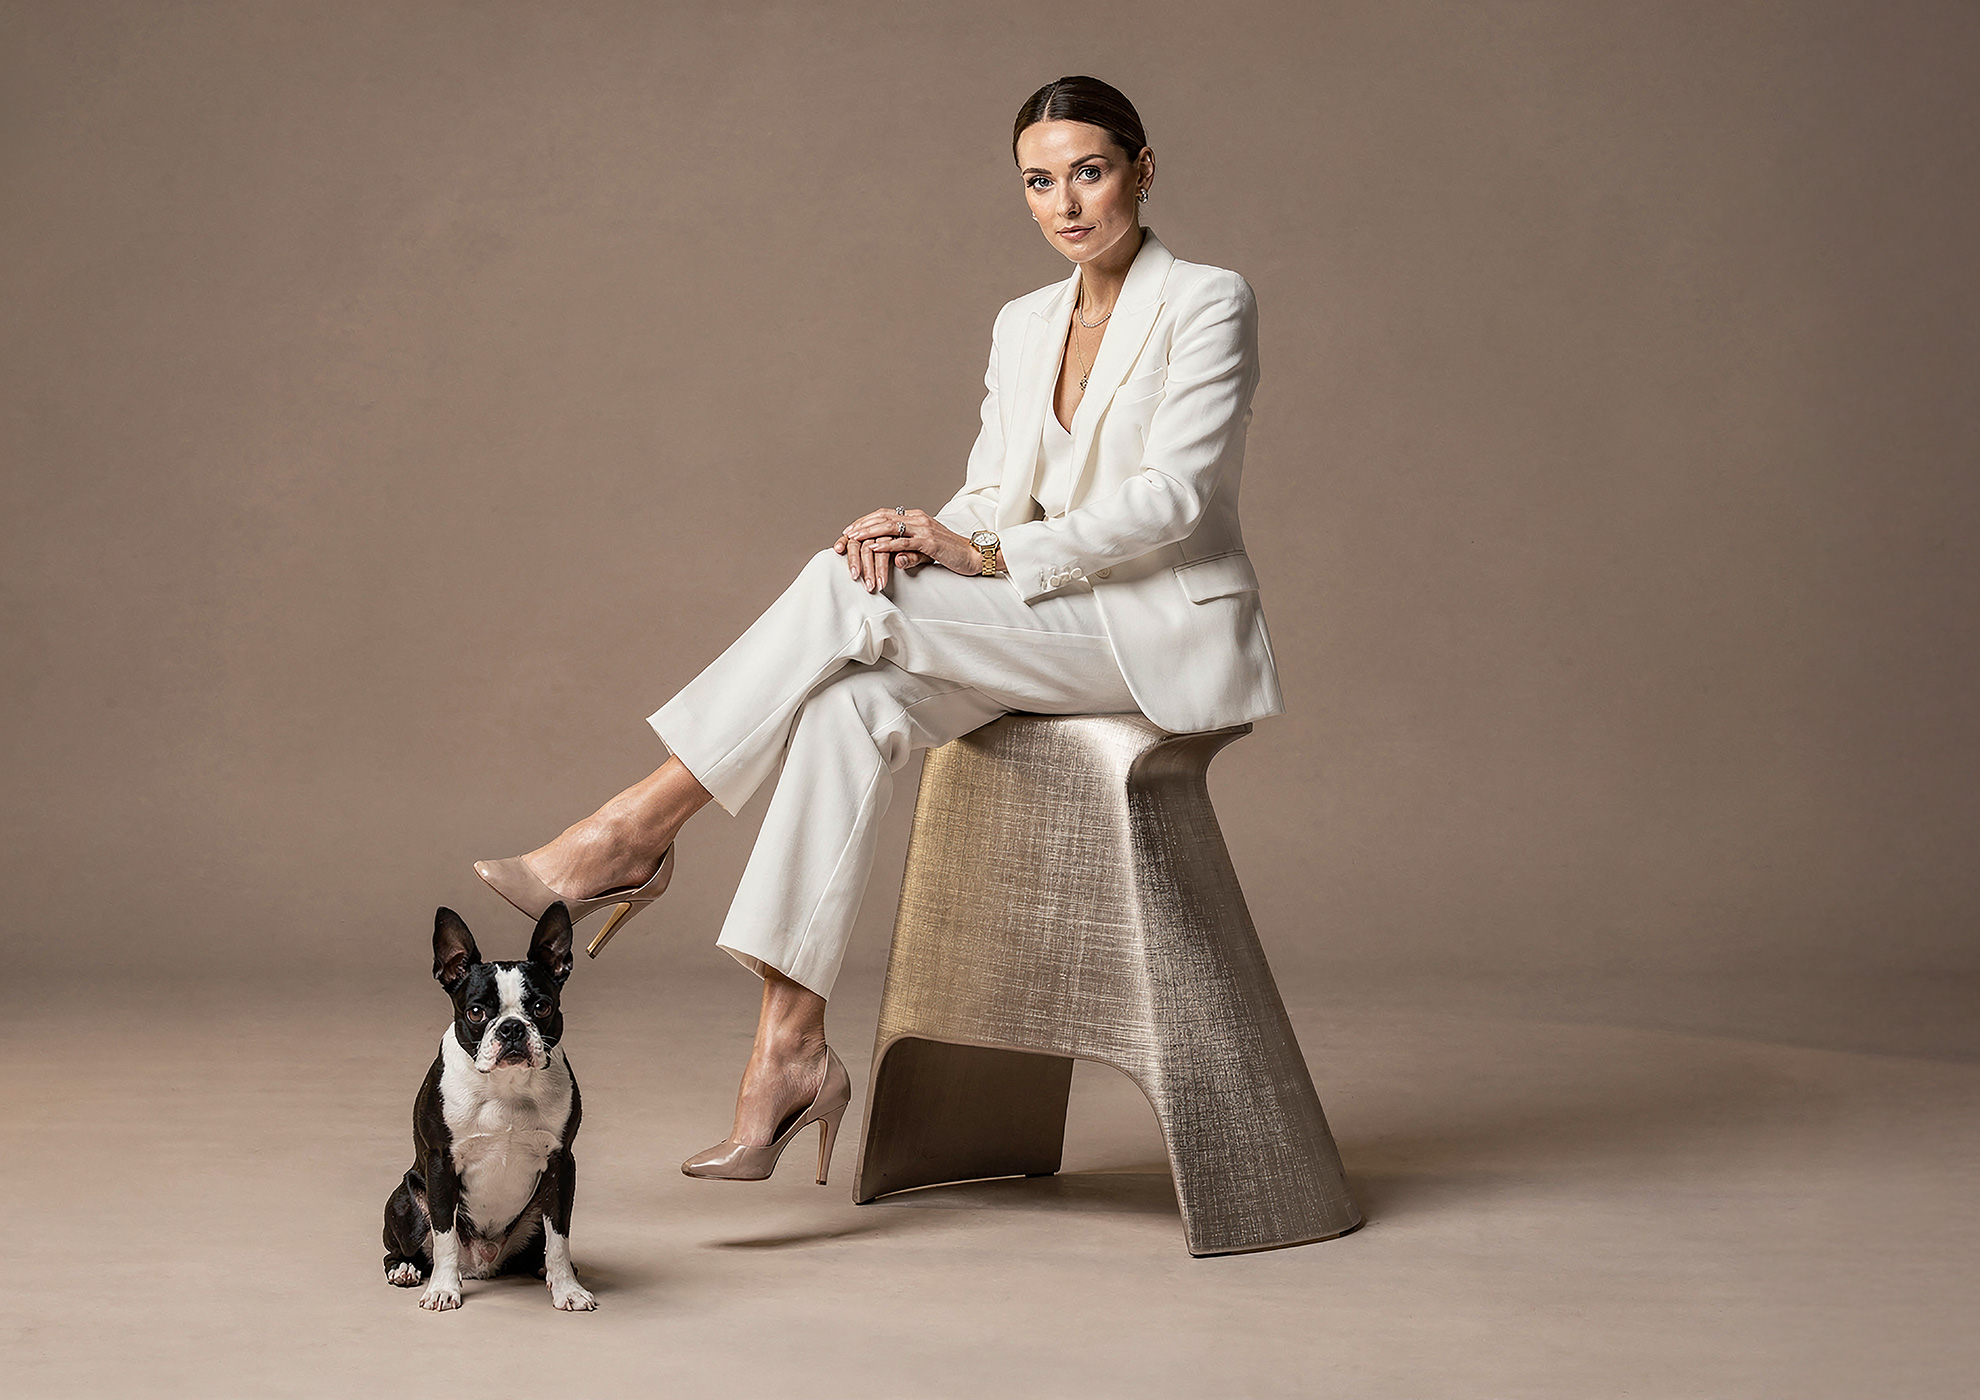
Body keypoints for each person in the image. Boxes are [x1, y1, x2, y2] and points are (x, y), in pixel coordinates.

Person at [473, 74, 1284, 1183]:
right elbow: (994, 496)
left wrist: (975, 558)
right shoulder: (1024, 321)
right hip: (1047, 617)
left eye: (1089, 172)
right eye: (1039, 182)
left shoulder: (1206, 299)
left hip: (1153, 631)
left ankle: (629, 830)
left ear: (1143, 170)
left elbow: (1174, 499)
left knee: (848, 594)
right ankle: (788, 1050)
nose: (1066, 204)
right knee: (851, 701)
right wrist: (920, 533)